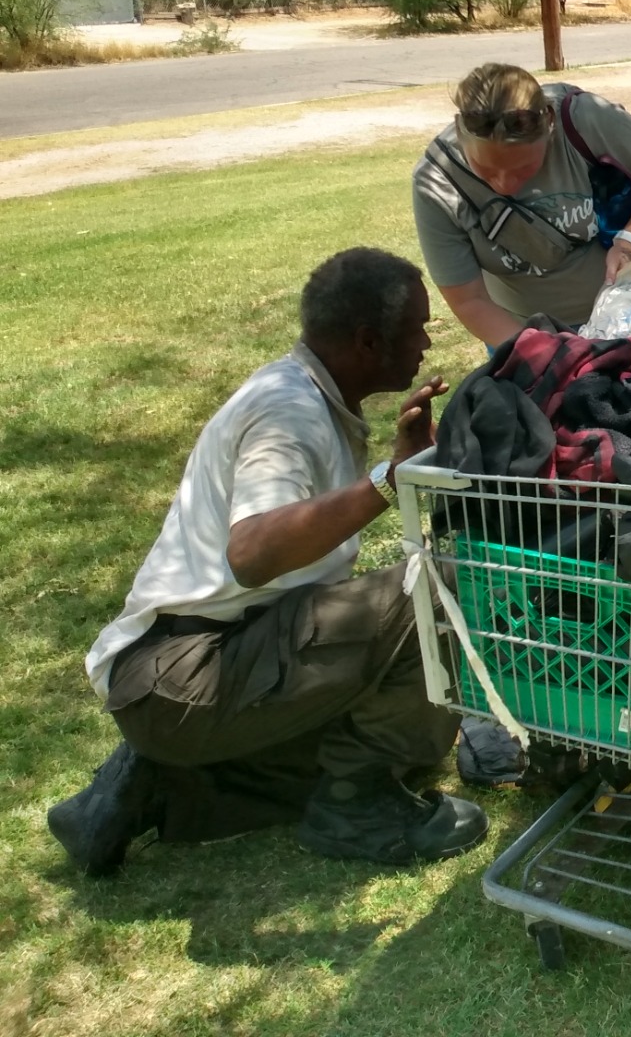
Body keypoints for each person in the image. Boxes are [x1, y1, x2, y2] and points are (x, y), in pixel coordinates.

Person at [50, 249, 484, 873]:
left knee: (410, 742)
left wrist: (400, 468)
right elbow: (253, 554)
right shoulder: (289, 411)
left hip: (189, 671)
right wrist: (388, 481)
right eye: (417, 327)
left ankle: (155, 789)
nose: (424, 341)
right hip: (186, 670)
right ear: (368, 340)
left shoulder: (309, 394)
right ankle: (352, 808)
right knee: (439, 587)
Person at [412, 63, 631, 347]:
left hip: (630, 320)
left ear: (550, 126)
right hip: (519, 334)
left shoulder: (583, 119)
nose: (504, 185)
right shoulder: (438, 182)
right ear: (460, 134)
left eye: (524, 169)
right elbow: (470, 302)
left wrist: (627, 241)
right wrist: (550, 357)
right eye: (486, 171)